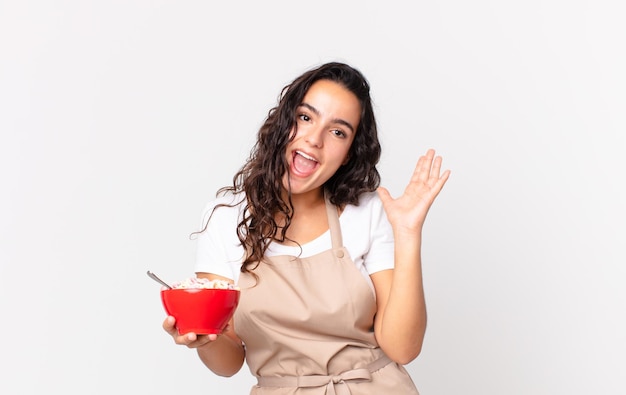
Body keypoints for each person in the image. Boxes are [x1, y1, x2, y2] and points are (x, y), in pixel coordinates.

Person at [163, 62, 450, 394]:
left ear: (347, 155)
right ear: (284, 122)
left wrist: (408, 233)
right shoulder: (226, 217)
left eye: (338, 131)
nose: (314, 139)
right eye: (305, 117)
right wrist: (203, 339)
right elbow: (229, 362)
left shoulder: (367, 212)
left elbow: (403, 348)